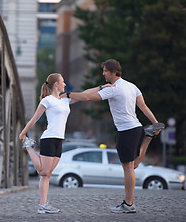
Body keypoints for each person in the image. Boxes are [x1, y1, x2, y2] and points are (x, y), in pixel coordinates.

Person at [65, 59, 164, 214]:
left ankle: (128, 204)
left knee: (128, 168)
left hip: (126, 131)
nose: (103, 73)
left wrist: (69, 94)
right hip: (136, 128)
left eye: (105, 71)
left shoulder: (113, 89)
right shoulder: (131, 86)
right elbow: (143, 107)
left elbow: (88, 97)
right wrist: (155, 123)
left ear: (112, 72)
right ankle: (147, 137)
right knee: (133, 166)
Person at [19, 73, 106, 214]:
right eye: (63, 82)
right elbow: (34, 119)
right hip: (48, 138)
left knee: (46, 174)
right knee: (44, 172)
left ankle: (43, 204)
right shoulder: (47, 101)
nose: (65, 84)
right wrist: (23, 133)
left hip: (59, 140)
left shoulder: (65, 99)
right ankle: (29, 147)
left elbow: (84, 94)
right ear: (56, 84)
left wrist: (101, 87)